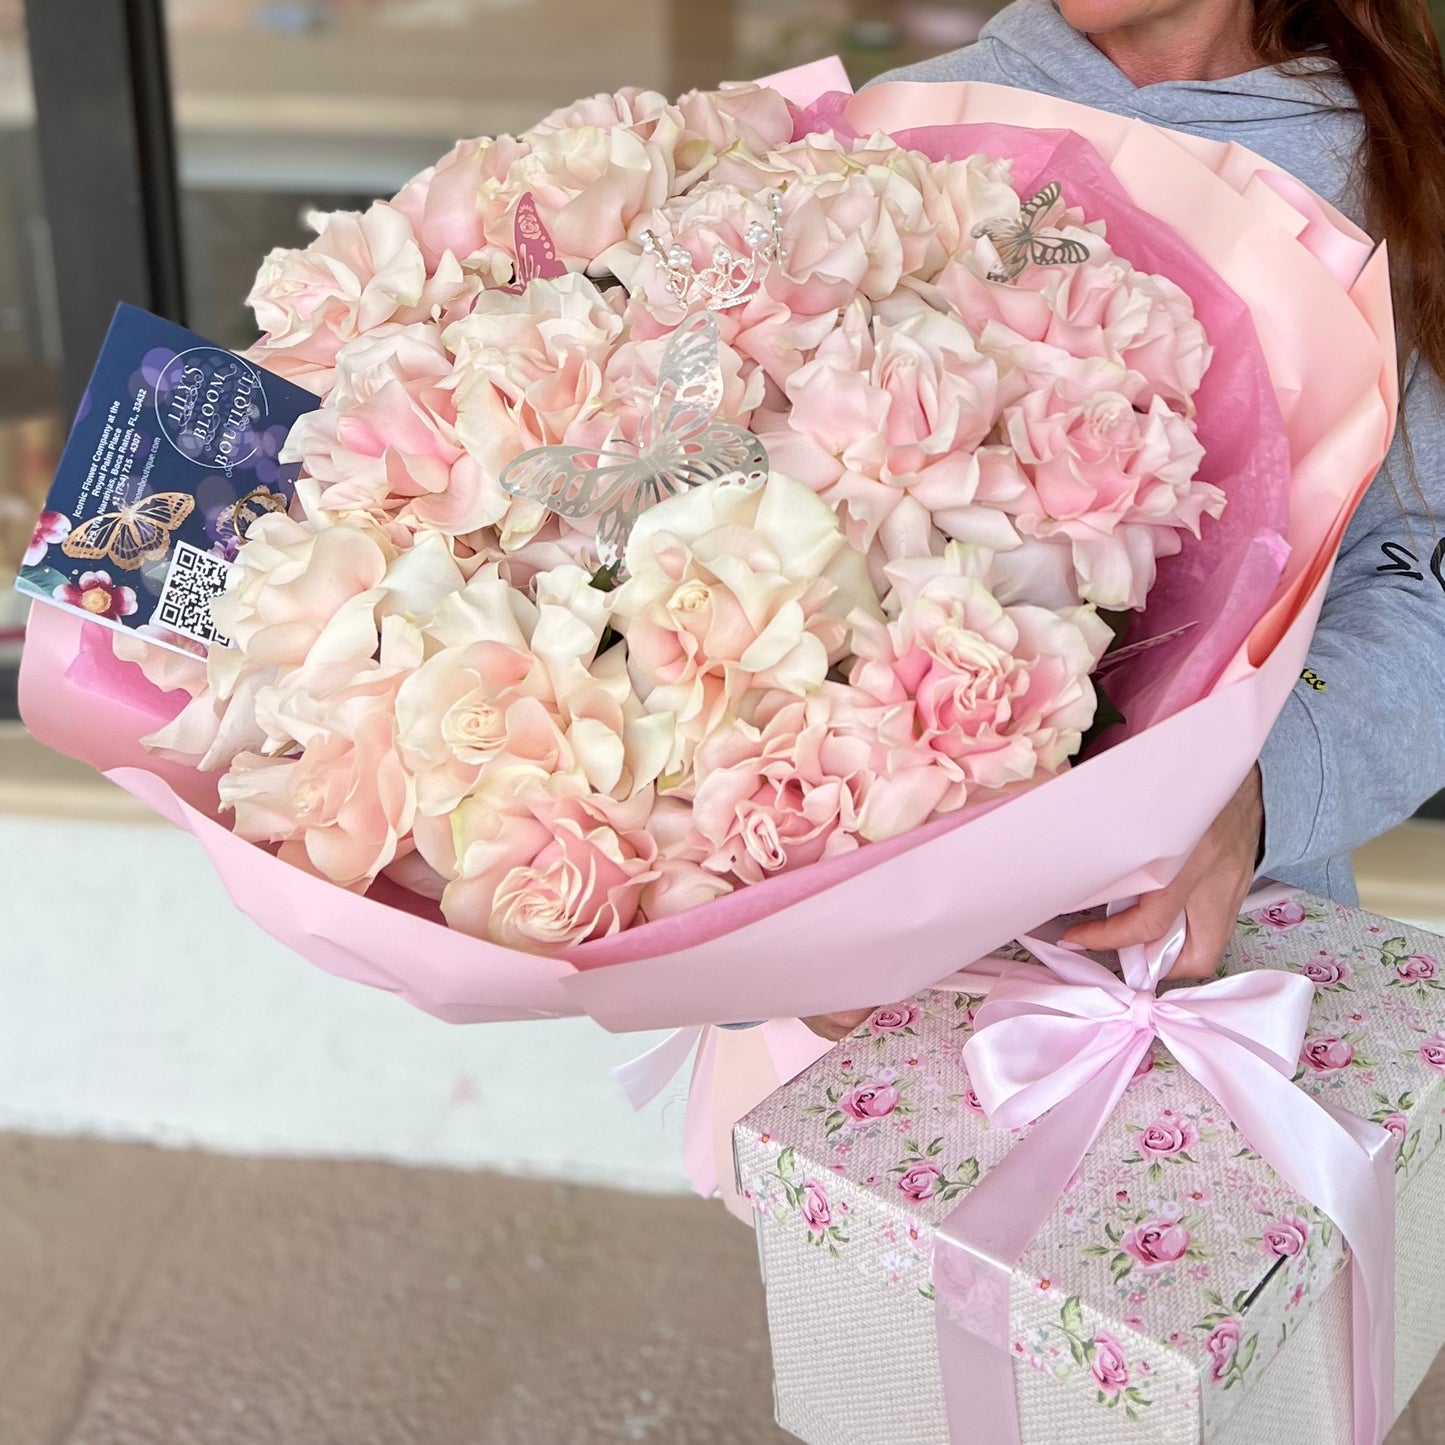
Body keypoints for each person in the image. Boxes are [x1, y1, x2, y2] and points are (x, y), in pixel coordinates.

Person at [804, 0, 1445, 1040]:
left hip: (1216, 959)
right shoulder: (892, 127)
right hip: (867, 970)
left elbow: (1418, 580)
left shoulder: (1398, 169)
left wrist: (1254, 786)